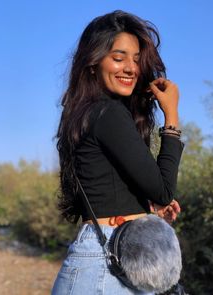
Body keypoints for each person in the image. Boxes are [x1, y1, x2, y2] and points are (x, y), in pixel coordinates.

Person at [51, 10, 184, 295]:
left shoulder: (84, 114)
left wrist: (144, 209)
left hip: (106, 260)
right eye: (118, 57)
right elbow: (163, 190)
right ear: (93, 62)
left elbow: (106, 191)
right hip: (105, 268)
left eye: (136, 59)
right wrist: (171, 116)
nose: (131, 68)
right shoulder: (107, 113)